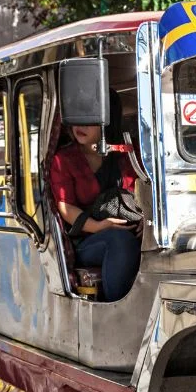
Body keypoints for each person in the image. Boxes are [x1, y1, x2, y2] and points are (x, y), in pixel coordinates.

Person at [49, 123, 141, 301]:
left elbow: (147, 188)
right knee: (120, 241)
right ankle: (116, 314)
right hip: (87, 237)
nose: (80, 125)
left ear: (105, 118)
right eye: (76, 118)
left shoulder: (128, 152)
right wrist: (100, 226)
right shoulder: (64, 159)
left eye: (88, 118)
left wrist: (148, 221)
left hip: (133, 225)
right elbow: (66, 207)